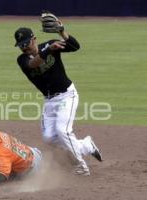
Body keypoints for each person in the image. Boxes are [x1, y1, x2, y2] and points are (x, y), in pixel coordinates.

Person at [14, 11, 102, 175]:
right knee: (49, 138)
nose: (24, 47)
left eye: (26, 42)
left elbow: (75, 46)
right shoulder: (22, 60)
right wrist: (49, 50)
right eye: (21, 45)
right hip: (49, 101)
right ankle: (86, 145)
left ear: (34, 39)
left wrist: (61, 31)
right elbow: (33, 64)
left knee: (63, 131)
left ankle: (81, 166)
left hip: (67, 95)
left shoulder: (50, 45)